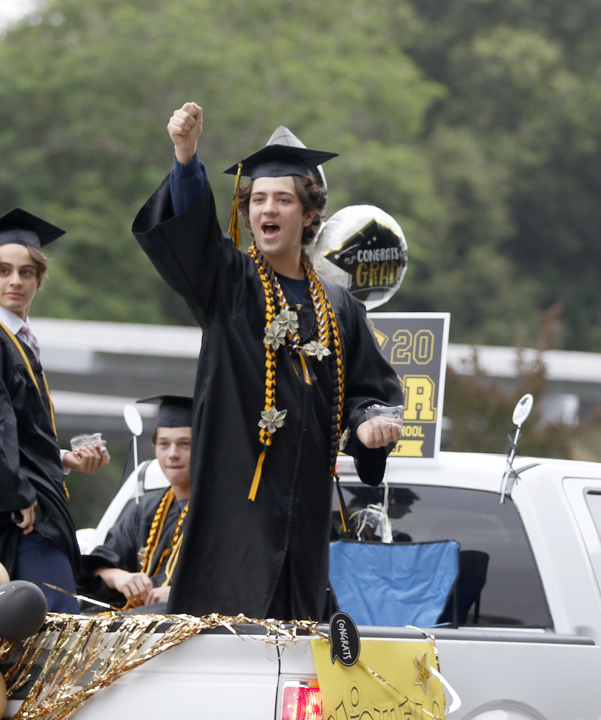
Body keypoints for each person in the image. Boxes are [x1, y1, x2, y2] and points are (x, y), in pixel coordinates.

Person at [131, 103, 404, 620]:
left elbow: (369, 390)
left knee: (297, 641)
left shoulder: (340, 307)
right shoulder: (228, 284)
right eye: (257, 199)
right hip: (234, 514)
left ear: (309, 213)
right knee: (228, 638)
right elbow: (191, 242)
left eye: (282, 199)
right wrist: (186, 158)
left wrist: (370, 423)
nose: (266, 210)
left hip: (305, 519)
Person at [0, 208, 110, 614]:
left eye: (26, 272)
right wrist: (14, 492)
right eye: (3, 271)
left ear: (39, 280)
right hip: (17, 522)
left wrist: (62, 459)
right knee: (50, 629)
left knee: (49, 625)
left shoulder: (13, 340)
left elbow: (12, 431)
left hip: (29, 512)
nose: (15, 281)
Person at [81, 395, 193, 610]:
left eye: (184, 444)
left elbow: (237, 580)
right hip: (135, 621)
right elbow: (97, 566)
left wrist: (182, 594)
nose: (172, 454)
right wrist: (120, 577)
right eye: (164, 444)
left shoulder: (221, 514)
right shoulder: (146, 511)